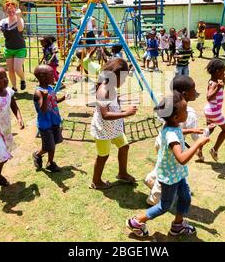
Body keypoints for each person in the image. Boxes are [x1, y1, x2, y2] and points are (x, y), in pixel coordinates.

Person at [127, 92, 210, 237]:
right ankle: (137, 221)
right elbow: (182, 158)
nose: (187, 111)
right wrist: (198, 143)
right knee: (164, 206)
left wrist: (192, 130)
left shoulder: (172, 125)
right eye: (185, 110)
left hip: (178, 173)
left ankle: (177, 226)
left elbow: (178, 131)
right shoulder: (171, 134)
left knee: (185, 197)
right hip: (170, 177)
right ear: (176, 117)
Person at [145, 75, 211, 206]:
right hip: (173, 148)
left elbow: (173, 132)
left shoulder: (168, 106)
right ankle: (154, 200)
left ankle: (150, 179)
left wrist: (191, 130)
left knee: (162, 166)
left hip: (161, 142)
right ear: (185, 93)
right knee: (168, 174)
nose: (196, 91)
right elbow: (181, 156)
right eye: (194, 89)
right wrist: (203, 137)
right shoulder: (189, 113)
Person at [90, 58, 137, 190]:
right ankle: (96, 181)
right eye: (123, 78)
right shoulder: (103, 90)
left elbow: (112, 107)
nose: (124, 81)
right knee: (103, 156)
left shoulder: (111, 86)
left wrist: (121, 109)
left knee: (124, 147)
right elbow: (105, 115)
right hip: (103, 130)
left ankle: (122, 173)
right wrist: (125, 114)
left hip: (114, 127)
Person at [32, 65, 66, 173]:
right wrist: (45, 97)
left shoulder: (50, 88)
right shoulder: (39, 92)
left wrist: (63, 98)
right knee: (49, 146)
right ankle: (39, 155)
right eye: (51, 75)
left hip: (54, 120)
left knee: (53, 143)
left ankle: (49, 162)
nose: (54, 76)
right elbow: (43, 109)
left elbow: (54, 101)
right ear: (42, 77)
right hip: (45, 124)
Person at [0, 0, 27, 92]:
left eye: (13, 11)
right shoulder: (4, 22)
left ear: (16, 10)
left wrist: (18, 16)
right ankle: (14, 87)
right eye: (9, 11)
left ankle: (22, 79)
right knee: (10, 70)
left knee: (17, 68)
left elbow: (20, 28)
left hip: (20, 48)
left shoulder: (20, 19)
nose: (11, 13)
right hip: (8, 48)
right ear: (6, 11)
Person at [202, 59, 225, 161]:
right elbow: (209, 97)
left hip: (209, 110)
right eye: (223, 71)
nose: (224, 73)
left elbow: (221, 89)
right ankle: (214, 149)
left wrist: (223, 81)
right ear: (218, 71)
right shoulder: (214, 84)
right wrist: (218, 87)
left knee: (210, 129)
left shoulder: (214, 82)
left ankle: (199, 147)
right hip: (214, 111)